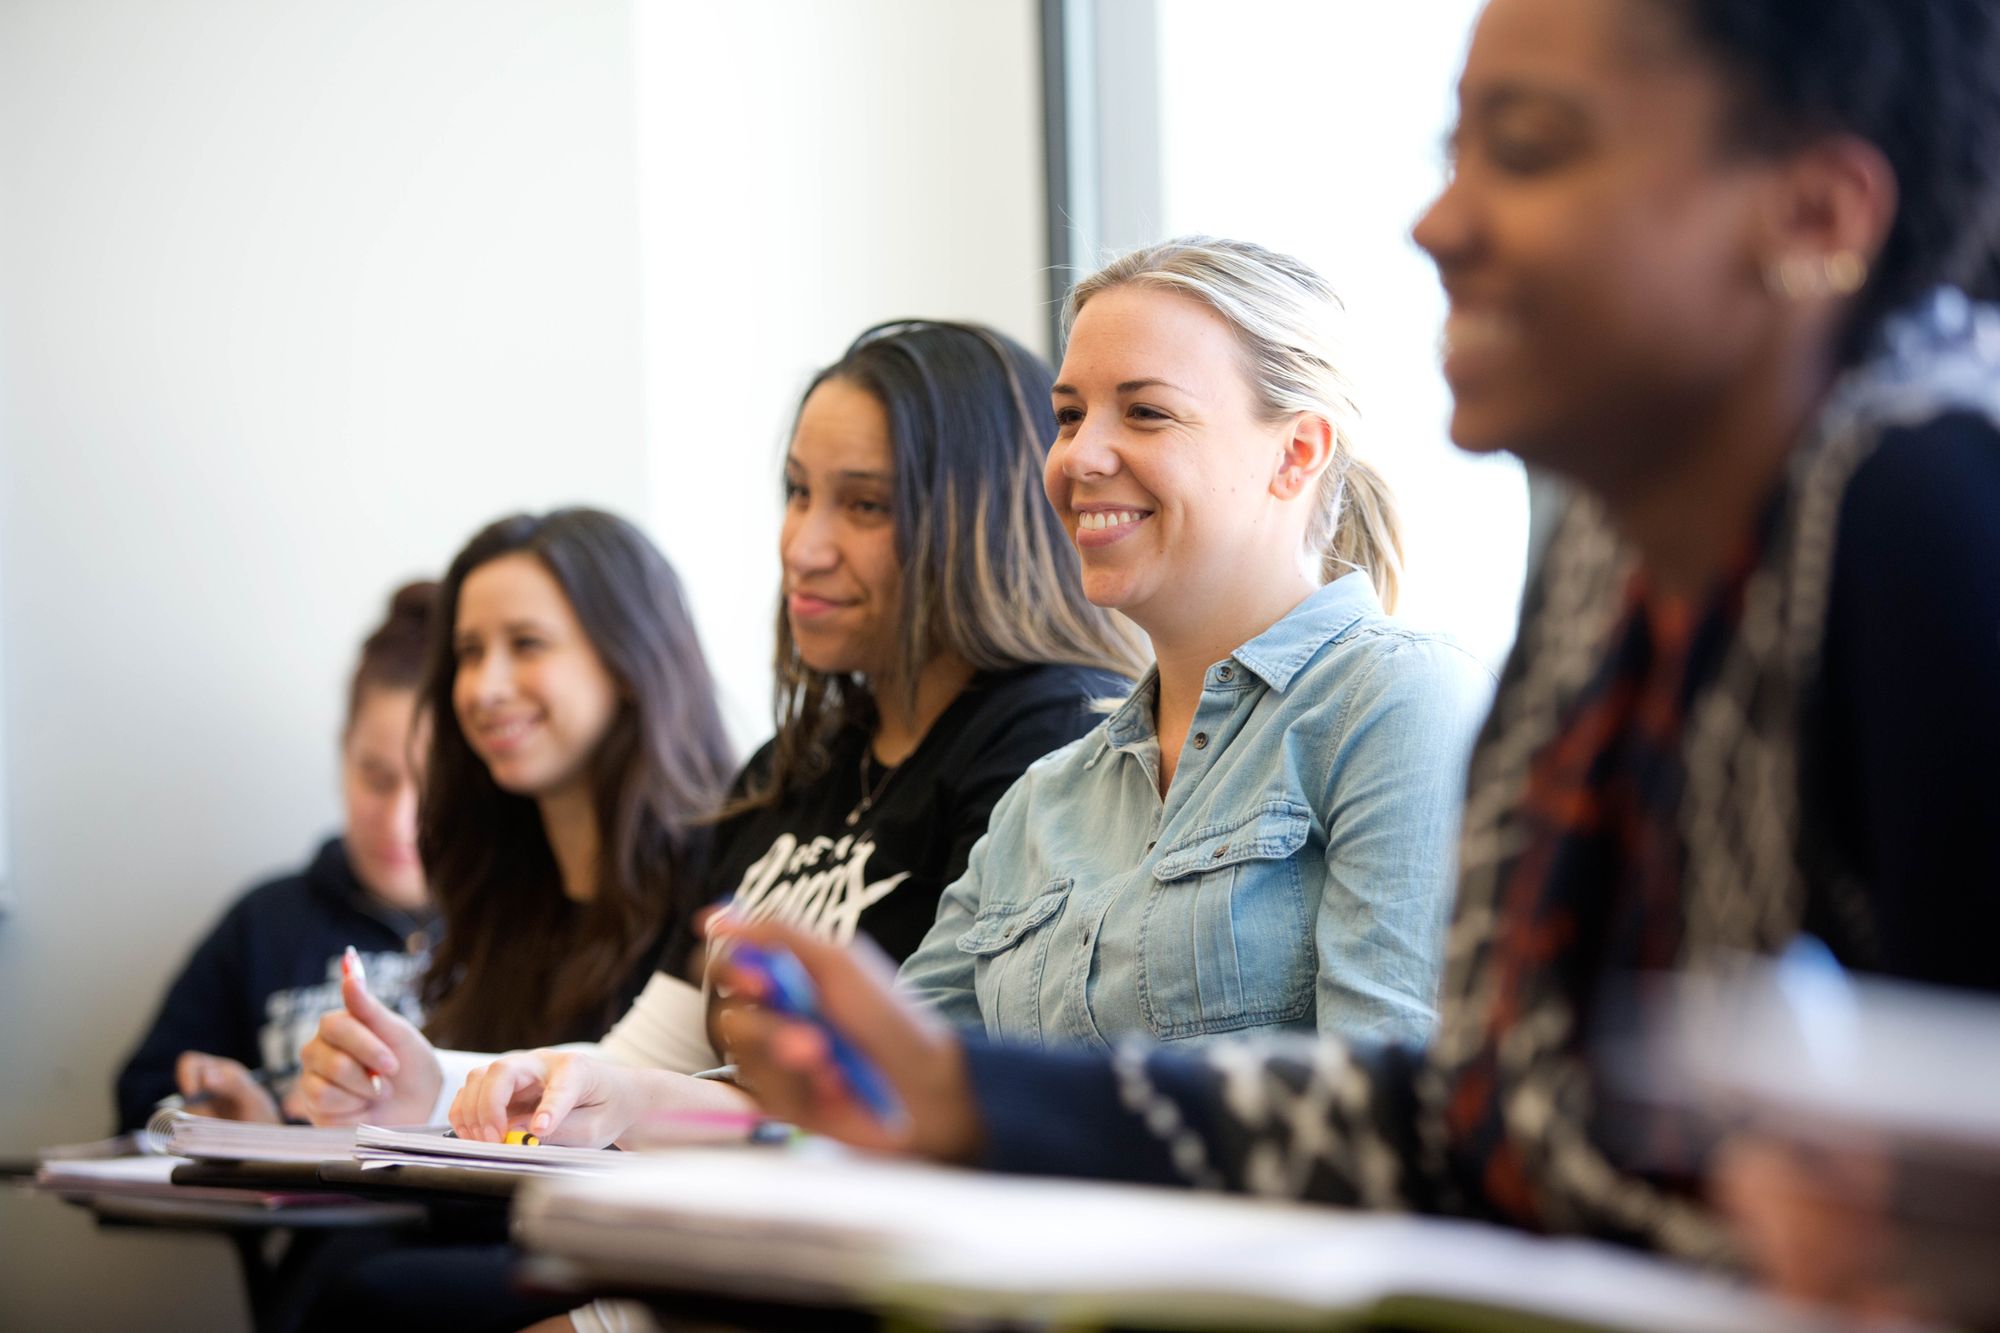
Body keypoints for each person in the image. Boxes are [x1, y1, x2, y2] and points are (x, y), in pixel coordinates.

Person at [720, 0, 2000, 1315]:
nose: (1437, 224)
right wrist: (959, 1087)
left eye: (1535, 148)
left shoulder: (1930, 507)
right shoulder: (1604, 572)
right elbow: (1470, 1120)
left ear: (1815, 218)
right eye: (1457, 151)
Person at [442, 320, 1147, 1153]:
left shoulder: (1050, 738)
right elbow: (629, 1067)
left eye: (865, 505)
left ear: (979, 520)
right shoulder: (791, 767)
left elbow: (914, 1104)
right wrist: (432, 1082)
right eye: (797, 493)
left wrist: (638, 1111)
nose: (802, 546)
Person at [296, 508, 736, 1127]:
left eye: (526, 644)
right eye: (469, 653)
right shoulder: (490, 881)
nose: (483, 688)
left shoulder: (727, 874)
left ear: (631, 663)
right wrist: (386, 1091)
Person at [113, 581, 437, 1131]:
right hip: (306, 1216)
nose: (400, 821)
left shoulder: (528, 931)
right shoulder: (265, 923)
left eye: (433, 788)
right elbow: (140, 1105)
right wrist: (227, 1124)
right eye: (377, 779)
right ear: (344, 754)